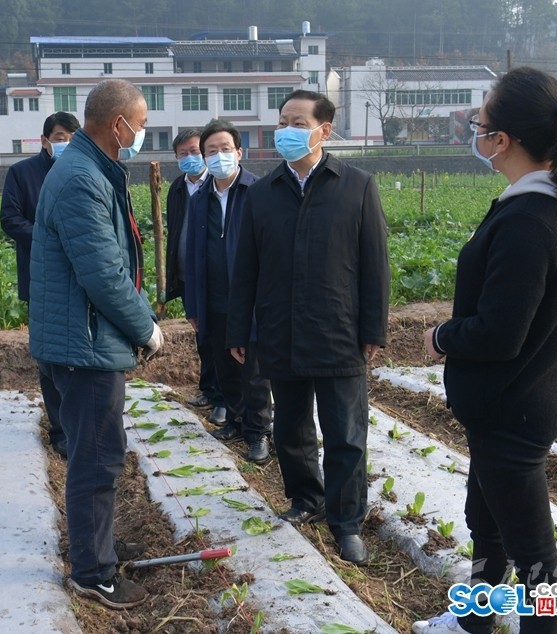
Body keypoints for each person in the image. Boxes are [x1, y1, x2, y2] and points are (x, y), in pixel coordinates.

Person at [414, 67, 557, 634]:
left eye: (479, 123)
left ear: (501, 140)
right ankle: (474, 621)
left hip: (512, 411)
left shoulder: (531, 221)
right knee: (487, 523)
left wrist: (440, 337)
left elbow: (501, 334)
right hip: (524, 400)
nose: (474, 132)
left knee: (536, 561)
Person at [226, 90, 390, 564]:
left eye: (298, 122)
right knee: (291, 428)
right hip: (281, 330)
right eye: (282, 122)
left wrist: (373, 329)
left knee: (345, 435)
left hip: (339, 330)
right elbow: (246, 269)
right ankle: (305, 498)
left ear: (325, 130)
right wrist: (238, 330)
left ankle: (347, 522)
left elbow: (375, 265)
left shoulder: (356, 186)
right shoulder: (263, 194)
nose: (287, 131)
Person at [29, 79, 164, 610]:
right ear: (118, 124)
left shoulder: (93, 169)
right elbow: (104, 275)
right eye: (141, 124)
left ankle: (97, 544)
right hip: (84, 347)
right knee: (97, 458)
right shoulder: (82, 178)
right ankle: (93, 572)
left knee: (97, 453)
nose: (142, 133)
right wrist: (145, 329)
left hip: (81, 340)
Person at [183, 120, 273, 463]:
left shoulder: (258, 192)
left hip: (250, 300)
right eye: (212, 150)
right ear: (205, 157)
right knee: (224, 365)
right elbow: (193, 255)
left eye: (225, 149)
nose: (219, 155)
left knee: (253, 370)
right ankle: (235, 421)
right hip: (214, 297)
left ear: (239, 152)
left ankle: (259, 431)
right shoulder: (199, 199)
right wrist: (193, 305)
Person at [0, 111, 80, 458]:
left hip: (81, 277)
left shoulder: (83, 171)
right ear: (45, 140)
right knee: (49, 356)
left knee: (80, 353)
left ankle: (81, 424)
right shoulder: (23, 173)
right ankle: (60, 429)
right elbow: (10, 219)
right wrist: (49, 238)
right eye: (60, 137)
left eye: (73, 138)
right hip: (41, 278)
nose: (67, 144)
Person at [164, 128, 226, 425]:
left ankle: (224, 398)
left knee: (220, 337)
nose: (190, 157)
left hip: (214, 275)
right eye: (183, 153)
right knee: (202, 335)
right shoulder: (177, 188)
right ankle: (208, 389)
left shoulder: (217, 184)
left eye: (195, 151)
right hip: (188, 275)